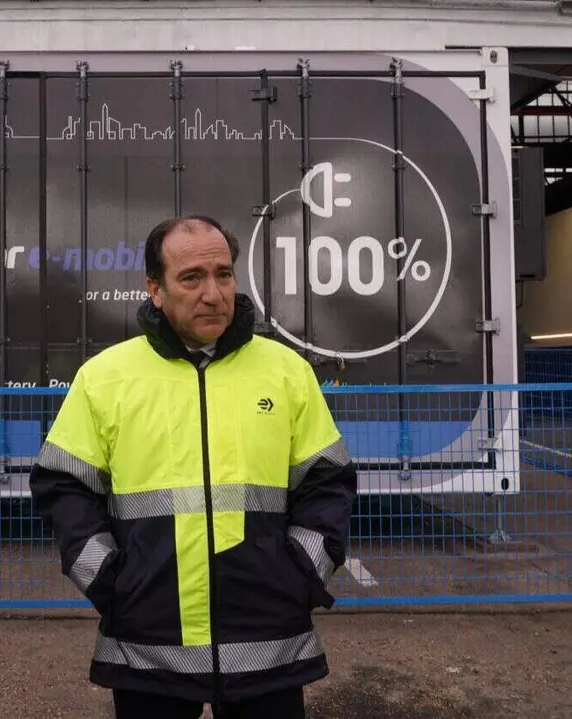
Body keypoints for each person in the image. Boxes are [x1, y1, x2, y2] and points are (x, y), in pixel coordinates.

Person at [30, 216, 358, 719]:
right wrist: (111, 585)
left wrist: (301, 577)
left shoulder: (286, 371)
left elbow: (327, 482)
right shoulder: (105, 378)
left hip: (268, 640)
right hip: (148, 645)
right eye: (192, 278)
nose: (213, 293)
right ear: (155, 290)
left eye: (223, 274)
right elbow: (64, 487)